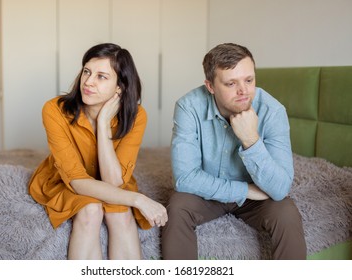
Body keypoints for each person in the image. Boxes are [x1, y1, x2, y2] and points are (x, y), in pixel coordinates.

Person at [161, 43, 307, 260]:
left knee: (286, 211)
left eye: (249, 80)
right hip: (210, 192)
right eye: (231, 83)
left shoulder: (273, 111)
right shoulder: (188, 107)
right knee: (178, 206)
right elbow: (184, 178)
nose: (244, 91)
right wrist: (244, 190)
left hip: (258, 198)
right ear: (210, 86)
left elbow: (280, 188)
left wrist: (251, 140)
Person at [29, 43, 167, 260]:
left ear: (119, 87)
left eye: (102, 76)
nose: (88, 82)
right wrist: (138, 200)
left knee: (120, 214)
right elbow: (76, 180)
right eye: (86, 71)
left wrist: (103, 124)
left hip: (111, 179)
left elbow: (114, 182)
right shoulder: (54, 109)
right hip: (64, 182)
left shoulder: (137, 115)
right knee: (90, 209)